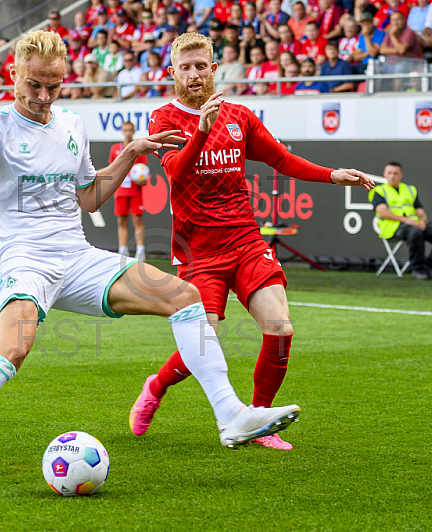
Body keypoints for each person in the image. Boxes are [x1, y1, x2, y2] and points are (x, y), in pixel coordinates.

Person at [0, 30, 303, 496]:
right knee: (12, 349)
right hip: (24, 260)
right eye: (34, 84)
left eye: (53, 85)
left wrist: (130, 154)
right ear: (13, 73)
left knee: (184, 296)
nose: (43, 95)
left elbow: (90, 198)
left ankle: (231, 414)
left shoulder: (72, 125)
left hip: (76, 256)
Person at [132, 32, 373, 450]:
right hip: (198, 251)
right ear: (172, 73)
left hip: (245, 238)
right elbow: (177, 173)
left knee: (280, 327)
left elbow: (280, 158)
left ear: (212, 69)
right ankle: (156, 386)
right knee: (202, 345)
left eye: (200, 66)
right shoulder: (164, 120)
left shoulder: (239, 116)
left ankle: (260, 418)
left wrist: (331, 174)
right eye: (185, 67)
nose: (193, 74)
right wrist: (202, 131)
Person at [369, 161, 432, 281]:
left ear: (401, 175)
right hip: (394, 228)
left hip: (414, 224)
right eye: (390, 173)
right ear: (385, 174)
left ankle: (431, 265)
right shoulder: (379, 191)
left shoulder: (410, 189)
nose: (392, 176)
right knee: (415, 232)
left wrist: (422, 221)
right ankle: (418, 268)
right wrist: (406, 220)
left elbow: (420, 211)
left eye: (395, 173)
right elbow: (382, 212)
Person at [111, 121, 148, 261]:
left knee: (137, 220)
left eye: (130, 130)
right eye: (125, 130)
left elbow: (144, 171)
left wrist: (142, 180)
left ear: (134, 131)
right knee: (121, 221)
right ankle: (122, 251)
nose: (128, 133)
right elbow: (112, 169)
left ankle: (140, 252)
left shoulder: (139, 148)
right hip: (120, 191)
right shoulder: (115, 148)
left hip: (135, 191)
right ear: (122, 131)